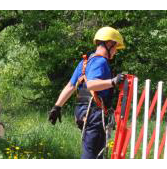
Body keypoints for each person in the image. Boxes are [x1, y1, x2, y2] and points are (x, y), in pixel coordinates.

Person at [47, 27, 126, 159]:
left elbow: (70, 86)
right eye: (115, 47)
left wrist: (57, 107)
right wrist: (113, 81)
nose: (116, 51)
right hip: (95, 115)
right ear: (109, 43)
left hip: (83, 113)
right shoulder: (101, 62)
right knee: (91, 155)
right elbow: (91, 84)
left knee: (93, 153)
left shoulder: (85, 62)